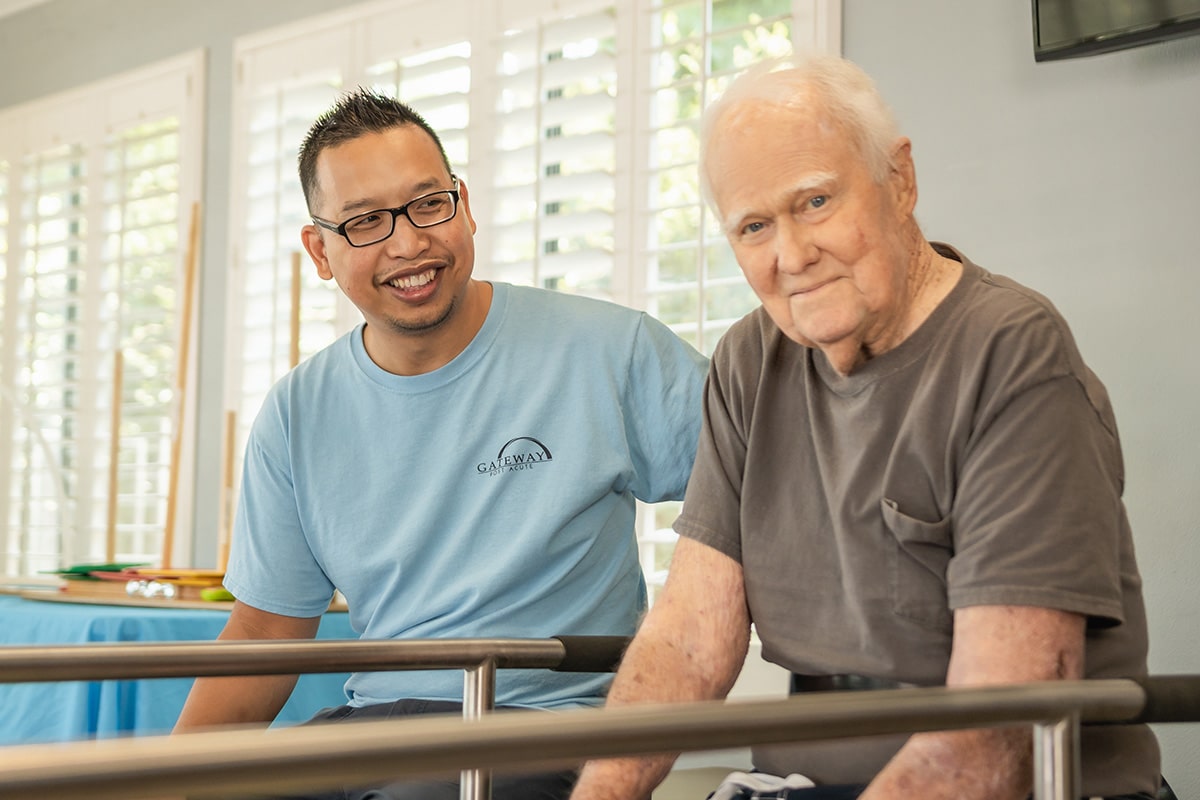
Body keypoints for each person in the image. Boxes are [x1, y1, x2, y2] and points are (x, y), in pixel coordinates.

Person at [568, 54, 1160, 800]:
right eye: (754, 226)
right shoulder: (750, 361)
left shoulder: (1011, 351)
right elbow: (690, 636)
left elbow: (998, 726)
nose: (791, 255)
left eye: (815, 201)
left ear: (899, 180)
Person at [173, 88, 708, 800]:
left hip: (536, 725)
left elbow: (762, 489)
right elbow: (266, 632)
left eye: (428, 204)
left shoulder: (612, 351)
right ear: (320, 251)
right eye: (365, 221)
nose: (407, 244)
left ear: (465, 206)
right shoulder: (297, 412)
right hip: (368, 728)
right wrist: (159, 781)